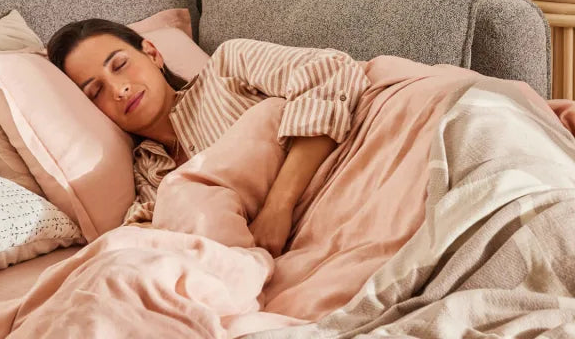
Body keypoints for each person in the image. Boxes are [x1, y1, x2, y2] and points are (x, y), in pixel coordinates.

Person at [47, 19, 369, 256]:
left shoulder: (228, 67)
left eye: (120, 65)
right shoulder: (148, 173)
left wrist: (277, 207)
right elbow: (147, 244)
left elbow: (333, 71)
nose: (119, 90)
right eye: (96, 91)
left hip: (359, 171)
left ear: (152, 53)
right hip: (317, 245)